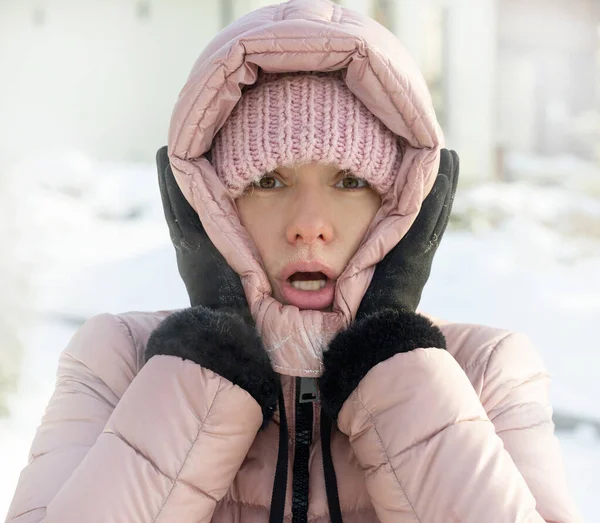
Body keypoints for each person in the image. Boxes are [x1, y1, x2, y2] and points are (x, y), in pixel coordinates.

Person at [5, 1, 583, 522]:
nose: (310, 222)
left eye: (350, 181)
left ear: (403, 203)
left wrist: (395, 367)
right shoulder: (116, 364)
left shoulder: (486, 374)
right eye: (269, 180)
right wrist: (206, 369)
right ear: (211, 204)